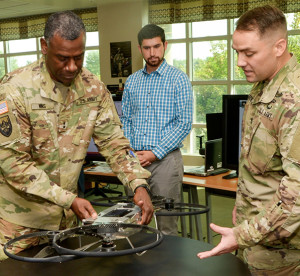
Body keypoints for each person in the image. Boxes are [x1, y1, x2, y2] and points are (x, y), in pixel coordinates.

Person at [0, 11, 153, 260]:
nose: (72, 67)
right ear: (44, 46)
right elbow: (13, 164)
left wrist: (138, 183)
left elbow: (114, 143)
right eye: (62, 58)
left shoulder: (94, 89)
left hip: (66, 223)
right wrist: (69, 199)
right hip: (19, 224)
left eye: (78, 57)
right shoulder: (14, 90)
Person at [197, 5, 300, 275]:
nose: (240, 62)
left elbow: (297, 195)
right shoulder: (262, 86)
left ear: (279, 47)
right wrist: (241, 211)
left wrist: (243, 233)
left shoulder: (295, 100)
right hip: (254, 235)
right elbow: (256, 166)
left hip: (282, 252)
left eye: (249, 53)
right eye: (237, 52)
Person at [121, 24, 193, 235]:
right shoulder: (132, 82)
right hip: (135, 162)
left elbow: (184, 123)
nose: (152, 53)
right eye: (147, 48)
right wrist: (132, 154)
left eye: (156, 46)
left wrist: (154, 153)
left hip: (166, 162)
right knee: (134, 221)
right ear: (139, 49)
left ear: (165, 45)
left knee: (167, 224)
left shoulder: (178, 79)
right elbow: (125, 120)